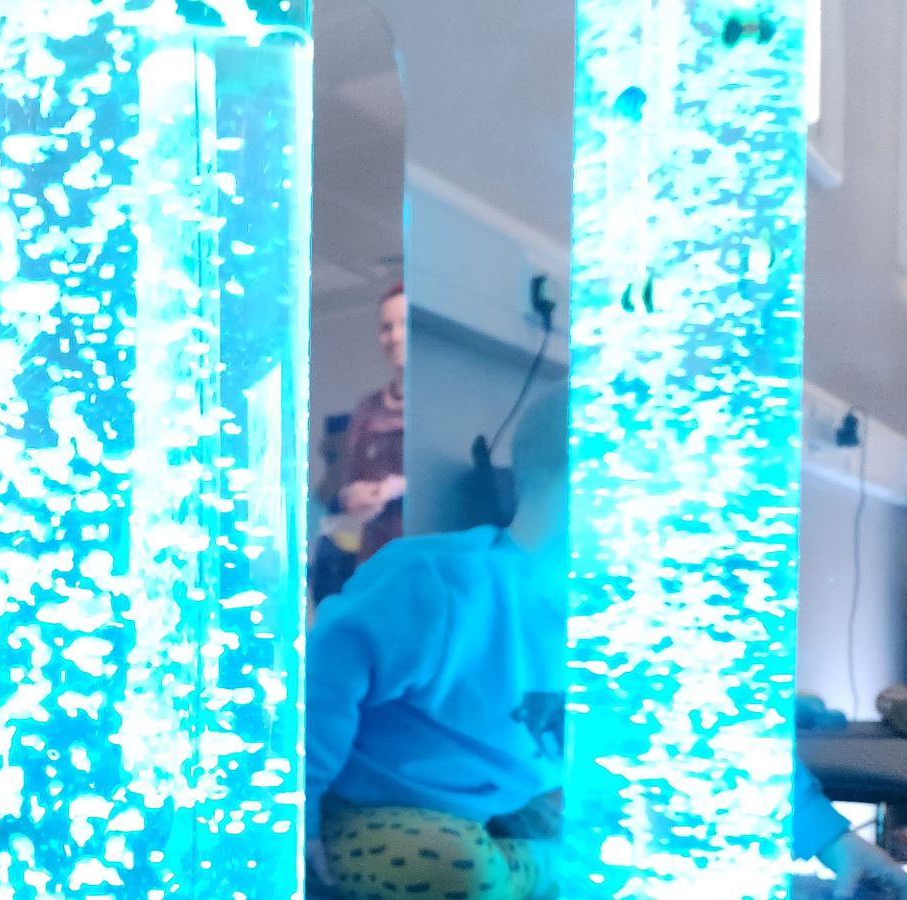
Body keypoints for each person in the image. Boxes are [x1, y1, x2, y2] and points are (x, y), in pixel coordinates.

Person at [305, 387, 907, 900]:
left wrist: (837, 842)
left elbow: (726, 739)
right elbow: (321, 688)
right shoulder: (437, 583)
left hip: (518, 806)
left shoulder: (630, 617)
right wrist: (297, 823)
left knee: (639, 818)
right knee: (452, 865)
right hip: (382, 811)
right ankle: (557, 872)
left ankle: (565, 864)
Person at [313, 281, 407, 602]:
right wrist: (350, 499)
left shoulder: (439, 405)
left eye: (404, 325)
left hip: (423, 571)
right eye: (386, 327)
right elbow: (344, 491)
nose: (394, 336)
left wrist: (395, 488)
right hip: (371, 570)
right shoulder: (366, 410)